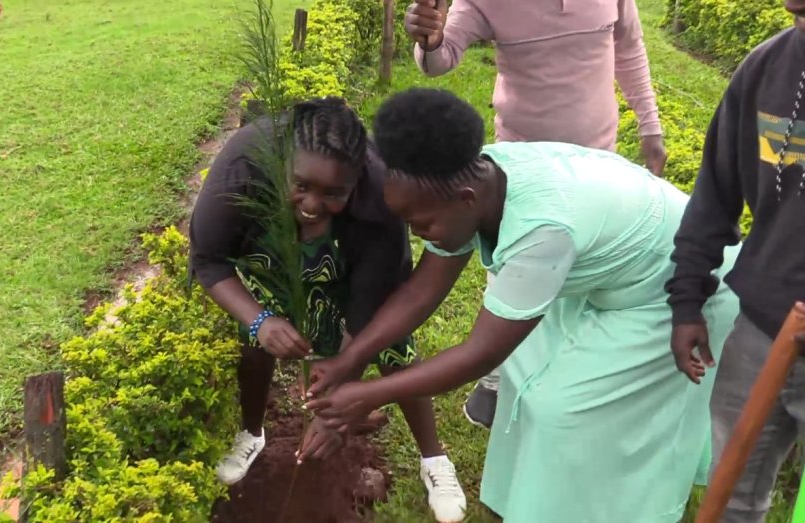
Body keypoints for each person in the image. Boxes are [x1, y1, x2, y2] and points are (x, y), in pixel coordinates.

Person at [305, 87, 740, 522]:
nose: (417, 235)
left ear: (466, 201)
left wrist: (368, 394)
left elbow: (480, 354)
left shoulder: (541, 228)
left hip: (680, 290)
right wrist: (353, 359)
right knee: (523, 381)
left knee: (562, 412)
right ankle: (522, 505)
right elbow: (422, 290)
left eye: (421, 224)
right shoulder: (466, 177)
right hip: (608, 274)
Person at [188, 97, 466, 523]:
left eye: (333, 193)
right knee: (256, 341)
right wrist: (261, 321)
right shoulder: (242, 169)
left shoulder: (379, 195)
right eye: (301, 185)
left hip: (351, 256)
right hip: (271, 248)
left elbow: (372, 301)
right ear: (283, 164)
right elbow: (207, 260)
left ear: (356, 181)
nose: (313, 204)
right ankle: (252, 434)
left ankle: (434, 460)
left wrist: (341, 394)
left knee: (393, 348)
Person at [404, 0, 668, 427]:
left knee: (582, 271)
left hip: (595, 160)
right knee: (515, 261)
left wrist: (649, 125)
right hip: (523, 172)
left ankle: (561, 372)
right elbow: (440, 58)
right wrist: (429, 39)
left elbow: (629, 47)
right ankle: (496, 379)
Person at [665, 6, 805, 520]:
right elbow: (714, 192)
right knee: (733, 498)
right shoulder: (766, 68)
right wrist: (686, 301)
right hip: (762, 334)